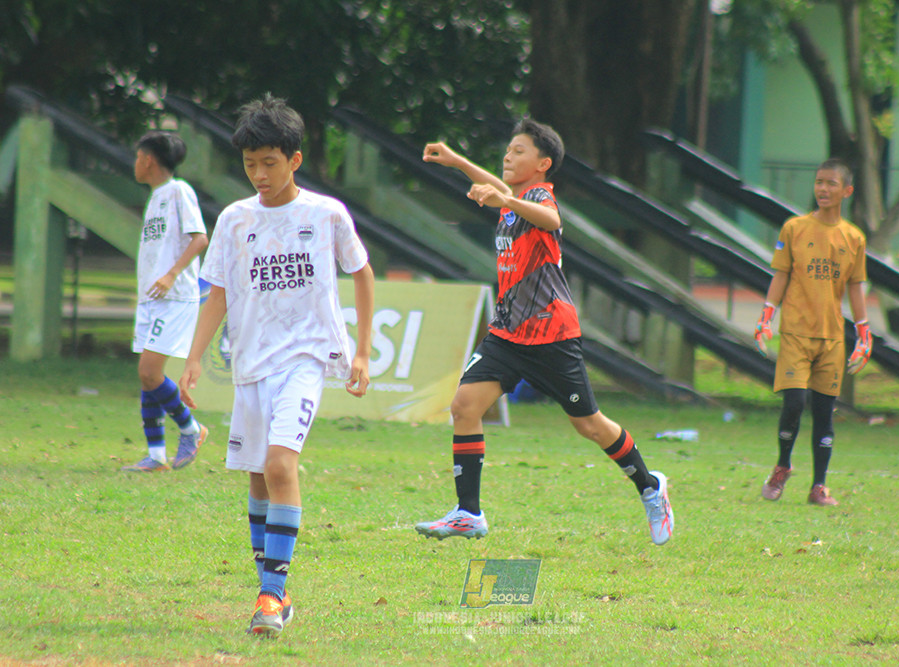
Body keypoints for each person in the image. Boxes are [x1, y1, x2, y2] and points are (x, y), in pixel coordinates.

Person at [415, 119, 673, 545]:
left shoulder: (539, 199)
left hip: (551, 336)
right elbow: (500, 189)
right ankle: (468, 513)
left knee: (590, 426)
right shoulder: (514, 199)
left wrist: (503, 197)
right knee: (464, 406)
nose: (508, 155)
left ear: (543, 164)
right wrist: (458, 162)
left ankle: (650, 486)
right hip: (507, 335)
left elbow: (551, 219)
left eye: (519, 151)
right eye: (508, 149)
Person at [178, 94, 375, 637]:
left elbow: (361, 272)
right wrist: (193, 359)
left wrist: (361, 350)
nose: (259, 175)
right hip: (251, 364)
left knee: (281, 466)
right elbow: (217, 292)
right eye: (250, 164)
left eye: (269, 162)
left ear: (295, 159)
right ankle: (276, 591)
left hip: (306, 358)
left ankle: (269, 595)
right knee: (259, 478)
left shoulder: (326, 214)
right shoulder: (235, 220)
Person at [755, 158, 872, 507]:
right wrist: (766, 316)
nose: (822, 188)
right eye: (819, 182)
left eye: (831, 183)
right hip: (795, 333)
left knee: (824, 412)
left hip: (832, 337)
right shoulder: (794, 228)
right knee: (794, 403)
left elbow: (855, 286)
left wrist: (864, 332)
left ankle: (818, 486)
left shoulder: (854, 237)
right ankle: (782, 466)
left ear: (847, 191)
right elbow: (781, 274)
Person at [122, 131, 209, 472]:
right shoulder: (156, 197)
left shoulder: (178, 191)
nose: (135, 163)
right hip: (151, 298)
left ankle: (191, 429)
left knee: (149, 371)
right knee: (147, 377)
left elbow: (200, 238)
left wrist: (171, 274)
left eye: (137, 157)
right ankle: (156, 455)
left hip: (174, 297)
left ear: (148, 160)